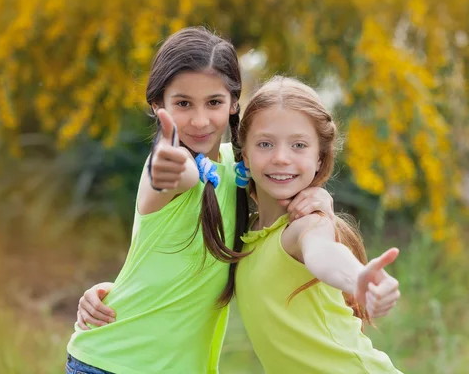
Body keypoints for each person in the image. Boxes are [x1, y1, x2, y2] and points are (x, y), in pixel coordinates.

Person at [65, 28, 334, 374]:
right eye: (182, 104)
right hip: (112, 364)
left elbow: (286, 177)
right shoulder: (168, 167)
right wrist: (168, 167)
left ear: (235, 102)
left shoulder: (242, 168)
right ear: (158, 105)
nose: (200, 120)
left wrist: (320, 196)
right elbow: (177, 174)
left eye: (214, 102)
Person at [233, 76, 402, 373]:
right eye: (265, 144)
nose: (281, 157)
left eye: (299, 145)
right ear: (244, 155)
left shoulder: (304, 226)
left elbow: (322, 252)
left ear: (319, 157)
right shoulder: (250, 232)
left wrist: (357, 278)